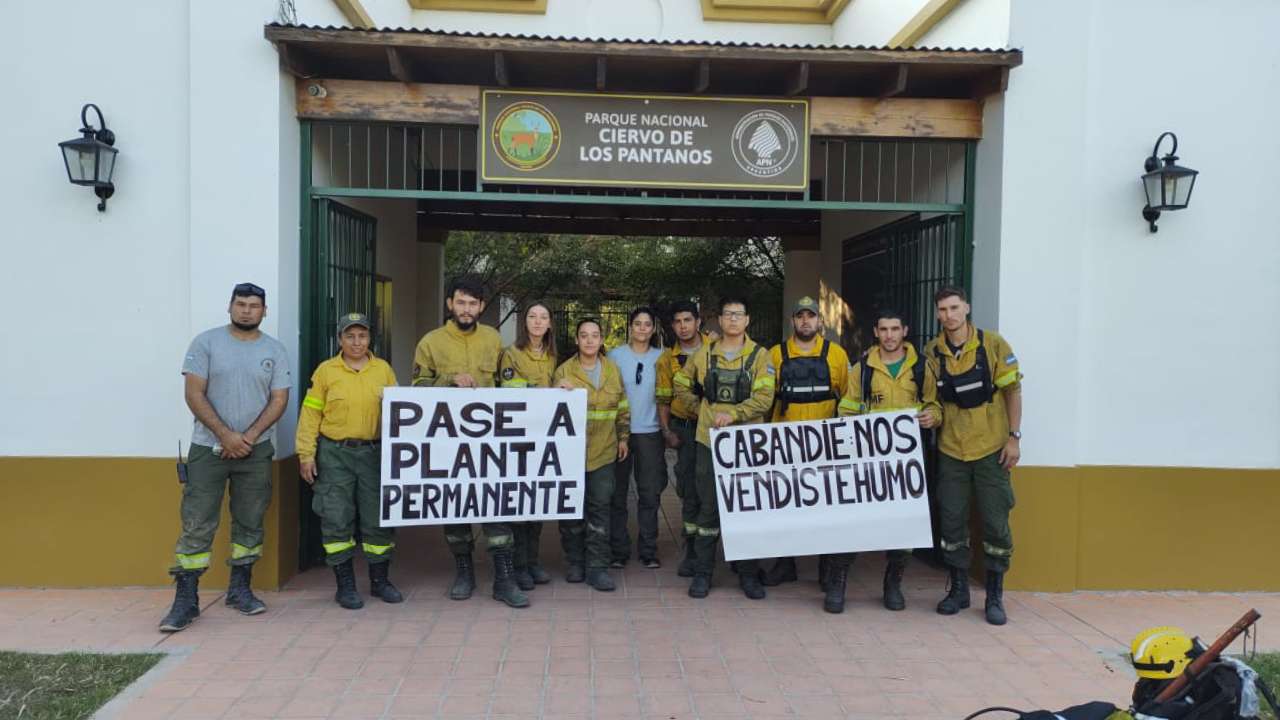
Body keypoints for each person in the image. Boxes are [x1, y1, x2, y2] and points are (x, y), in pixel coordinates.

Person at [160, 282, 291, 632]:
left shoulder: (274, 350)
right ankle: (186, 600)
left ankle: (240, 590)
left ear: (265, 311)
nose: (247, 310)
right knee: (197, 521)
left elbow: (279, 399)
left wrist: (246, 438)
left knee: (249, 518)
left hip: (255, 449)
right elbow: (193, 393)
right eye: (241, 304)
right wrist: (226, 435)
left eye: (254, 305)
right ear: (229, 307)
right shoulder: (206, 343)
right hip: (208, 448)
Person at [412, 277, 526, 608]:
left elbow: (508, 384)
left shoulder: (493, 339)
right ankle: (464, 572)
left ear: (481, 307)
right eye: (461, 302)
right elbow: (416, 388)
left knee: (496, 508)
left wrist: (547, 395)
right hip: (448, 442)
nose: (467, 309)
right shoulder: (430, 342)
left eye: (473, 304)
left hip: (488, 442)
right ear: (450, 304)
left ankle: (504, 580)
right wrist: (448, 381)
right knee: (456, 508)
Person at [922, 286, 1023, 625]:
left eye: (954, 307)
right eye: (942, 309)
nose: (948, 315)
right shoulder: (932, 352)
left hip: (991, 449)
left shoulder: (993, 344)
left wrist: (1014, 437)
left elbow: (1013, 390)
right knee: (951, 521)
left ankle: (995, 596)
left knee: (995, 522)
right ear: (937, 314)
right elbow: (931, 400)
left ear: (966, 307)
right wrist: (931, 416)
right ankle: (959, 590)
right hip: (951, 450)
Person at [296, 313, 402, 610]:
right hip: (334, 454)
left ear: (370, 339)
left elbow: (401, 413)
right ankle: (345, 586)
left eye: (362, 336)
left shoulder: (383, 370)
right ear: (340, 339)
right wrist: (306, 454)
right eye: (350, 336)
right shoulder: (326, 372)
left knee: (378, 517)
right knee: (336, 516)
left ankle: (380, 582)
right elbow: (310, 415)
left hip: (375, 453)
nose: (357, 342)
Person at [673, 296, 776, 599]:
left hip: (746, 442)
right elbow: (680, 383)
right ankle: (703, 574)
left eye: (738, 314)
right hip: (709, 441)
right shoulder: (704, 353)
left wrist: (733, 413)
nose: (732, 319)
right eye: (727, 314)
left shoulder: (760, 356)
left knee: (746, 508)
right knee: (709, 508)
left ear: (747, 320)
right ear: (719, 320)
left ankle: (748, 574)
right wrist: (700, 408)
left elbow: (764, 399)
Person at [835, 309, 937, 613]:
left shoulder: (922, 368)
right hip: (868, 459)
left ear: (905, 330)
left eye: (895, 329)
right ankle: (839, 581)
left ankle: (893, 583)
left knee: (903, 524)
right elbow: (848, 407)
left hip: (907, 462)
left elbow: (934, 404)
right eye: (884, 330)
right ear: (876, 333)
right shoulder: (862, 368)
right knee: (854, 520)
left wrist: (933, 417)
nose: (889, 335)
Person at [759, 297, 851, 601]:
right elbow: (765, 399)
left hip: (826, 444)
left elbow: (849, 400)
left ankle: (827, 566)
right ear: (793, 321)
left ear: (819, 321)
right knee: (785, 507)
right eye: (800, 316)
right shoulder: (775, 354)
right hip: (784, 443)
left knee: (825, 508)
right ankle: (786, 563)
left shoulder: (836, 354)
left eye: (811, 316)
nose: (806, 322)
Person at [553, 318, 630, 591]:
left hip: (604, 451)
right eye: (583, 335)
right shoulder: (564, 371)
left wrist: (623, 437)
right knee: (572, 510)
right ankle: (575, 561)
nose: (589, 340)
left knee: (600, 508)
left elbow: (622, 407)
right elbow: (550, 413)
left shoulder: (612, 370)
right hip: (570, 454)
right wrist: (556, 392)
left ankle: (597, 567)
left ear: (601, 340)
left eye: (594, 335)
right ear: (577, 340)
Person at [498, 302, 558, 591]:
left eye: (543, 317)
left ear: (550, 324)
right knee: (519, 506)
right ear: (525, 322)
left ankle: (532, 562)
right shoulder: (512, 353)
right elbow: (508, 390)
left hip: (545, 437)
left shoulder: (553, 355)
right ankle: (518, 566)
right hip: (518, 435)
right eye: (532, 316)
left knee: (537, 503)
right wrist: (540, 390)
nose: (537, 322)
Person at [607, 307, 668, 569]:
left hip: (650, 433)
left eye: (647, 324)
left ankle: (648, 550)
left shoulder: (662, 357)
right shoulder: (615, 356)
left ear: (653, 329)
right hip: (619, 432)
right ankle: (618, 550)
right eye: (637, 323)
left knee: (649, 493)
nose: (642, 328)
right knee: (617, 494)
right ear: (629, 327)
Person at [655, 300, 706, 578]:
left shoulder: (717, 348)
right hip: (685, 428)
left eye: (688, 320)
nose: (683, 326)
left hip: (716, 429)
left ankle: (721, 550)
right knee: (688, 488)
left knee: (717, 490)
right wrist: (667, 431)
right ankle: (692, 549)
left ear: (698, 322)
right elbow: (663, 399)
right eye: (678, 321)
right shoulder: (666, 359)